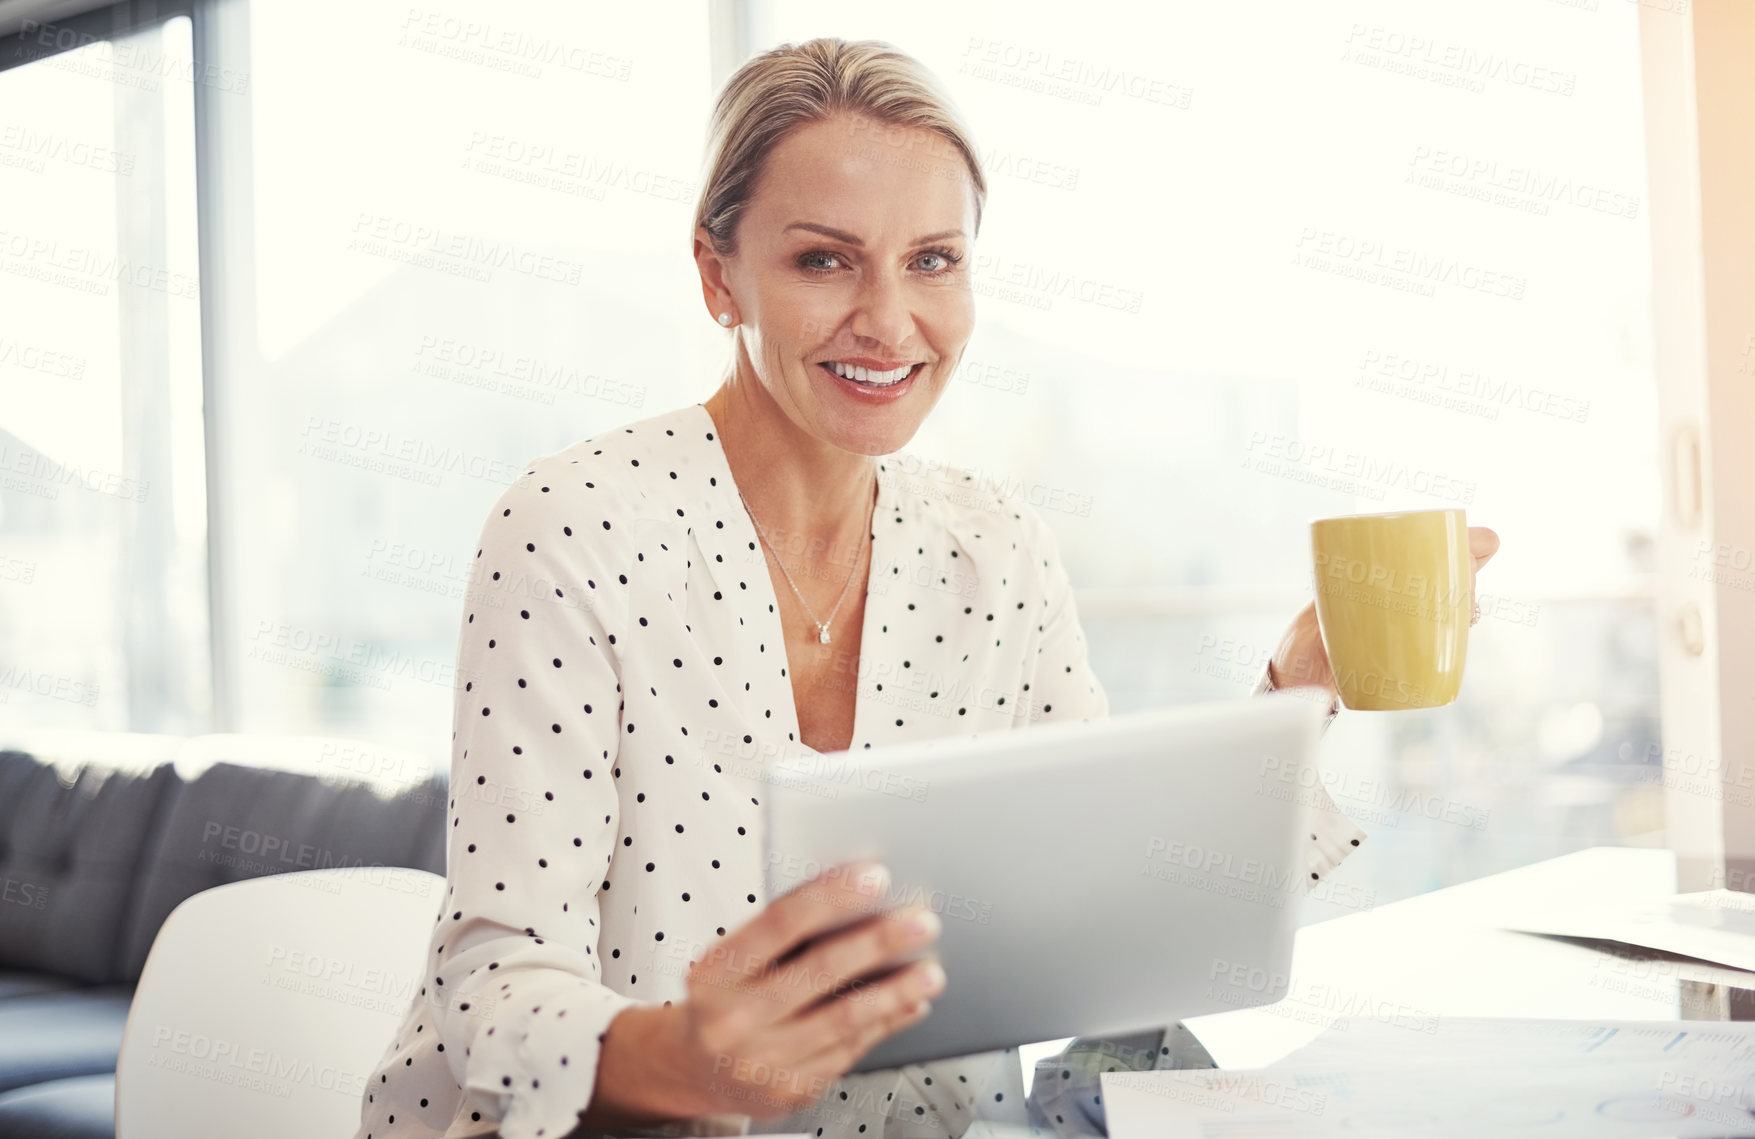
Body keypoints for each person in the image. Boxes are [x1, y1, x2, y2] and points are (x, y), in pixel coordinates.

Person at [352, 36, 1501, 1139]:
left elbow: (1117, 921)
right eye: (823, 258)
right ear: (720, 276)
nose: (890, 321)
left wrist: (1300, 692)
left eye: (932, 261)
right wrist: (695, 1058)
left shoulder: (996, 549)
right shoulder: (573, 530)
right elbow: (494, 976)